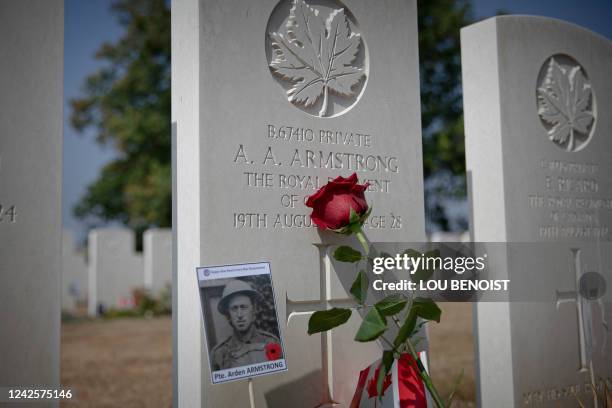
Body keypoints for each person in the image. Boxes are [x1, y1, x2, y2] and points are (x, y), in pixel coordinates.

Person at [211, 279, 282, 370]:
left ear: (253, 309)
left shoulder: (271, 342)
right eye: (234, 308)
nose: (239, 315)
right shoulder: (219, 353)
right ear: (228, 315)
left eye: (244, 307)